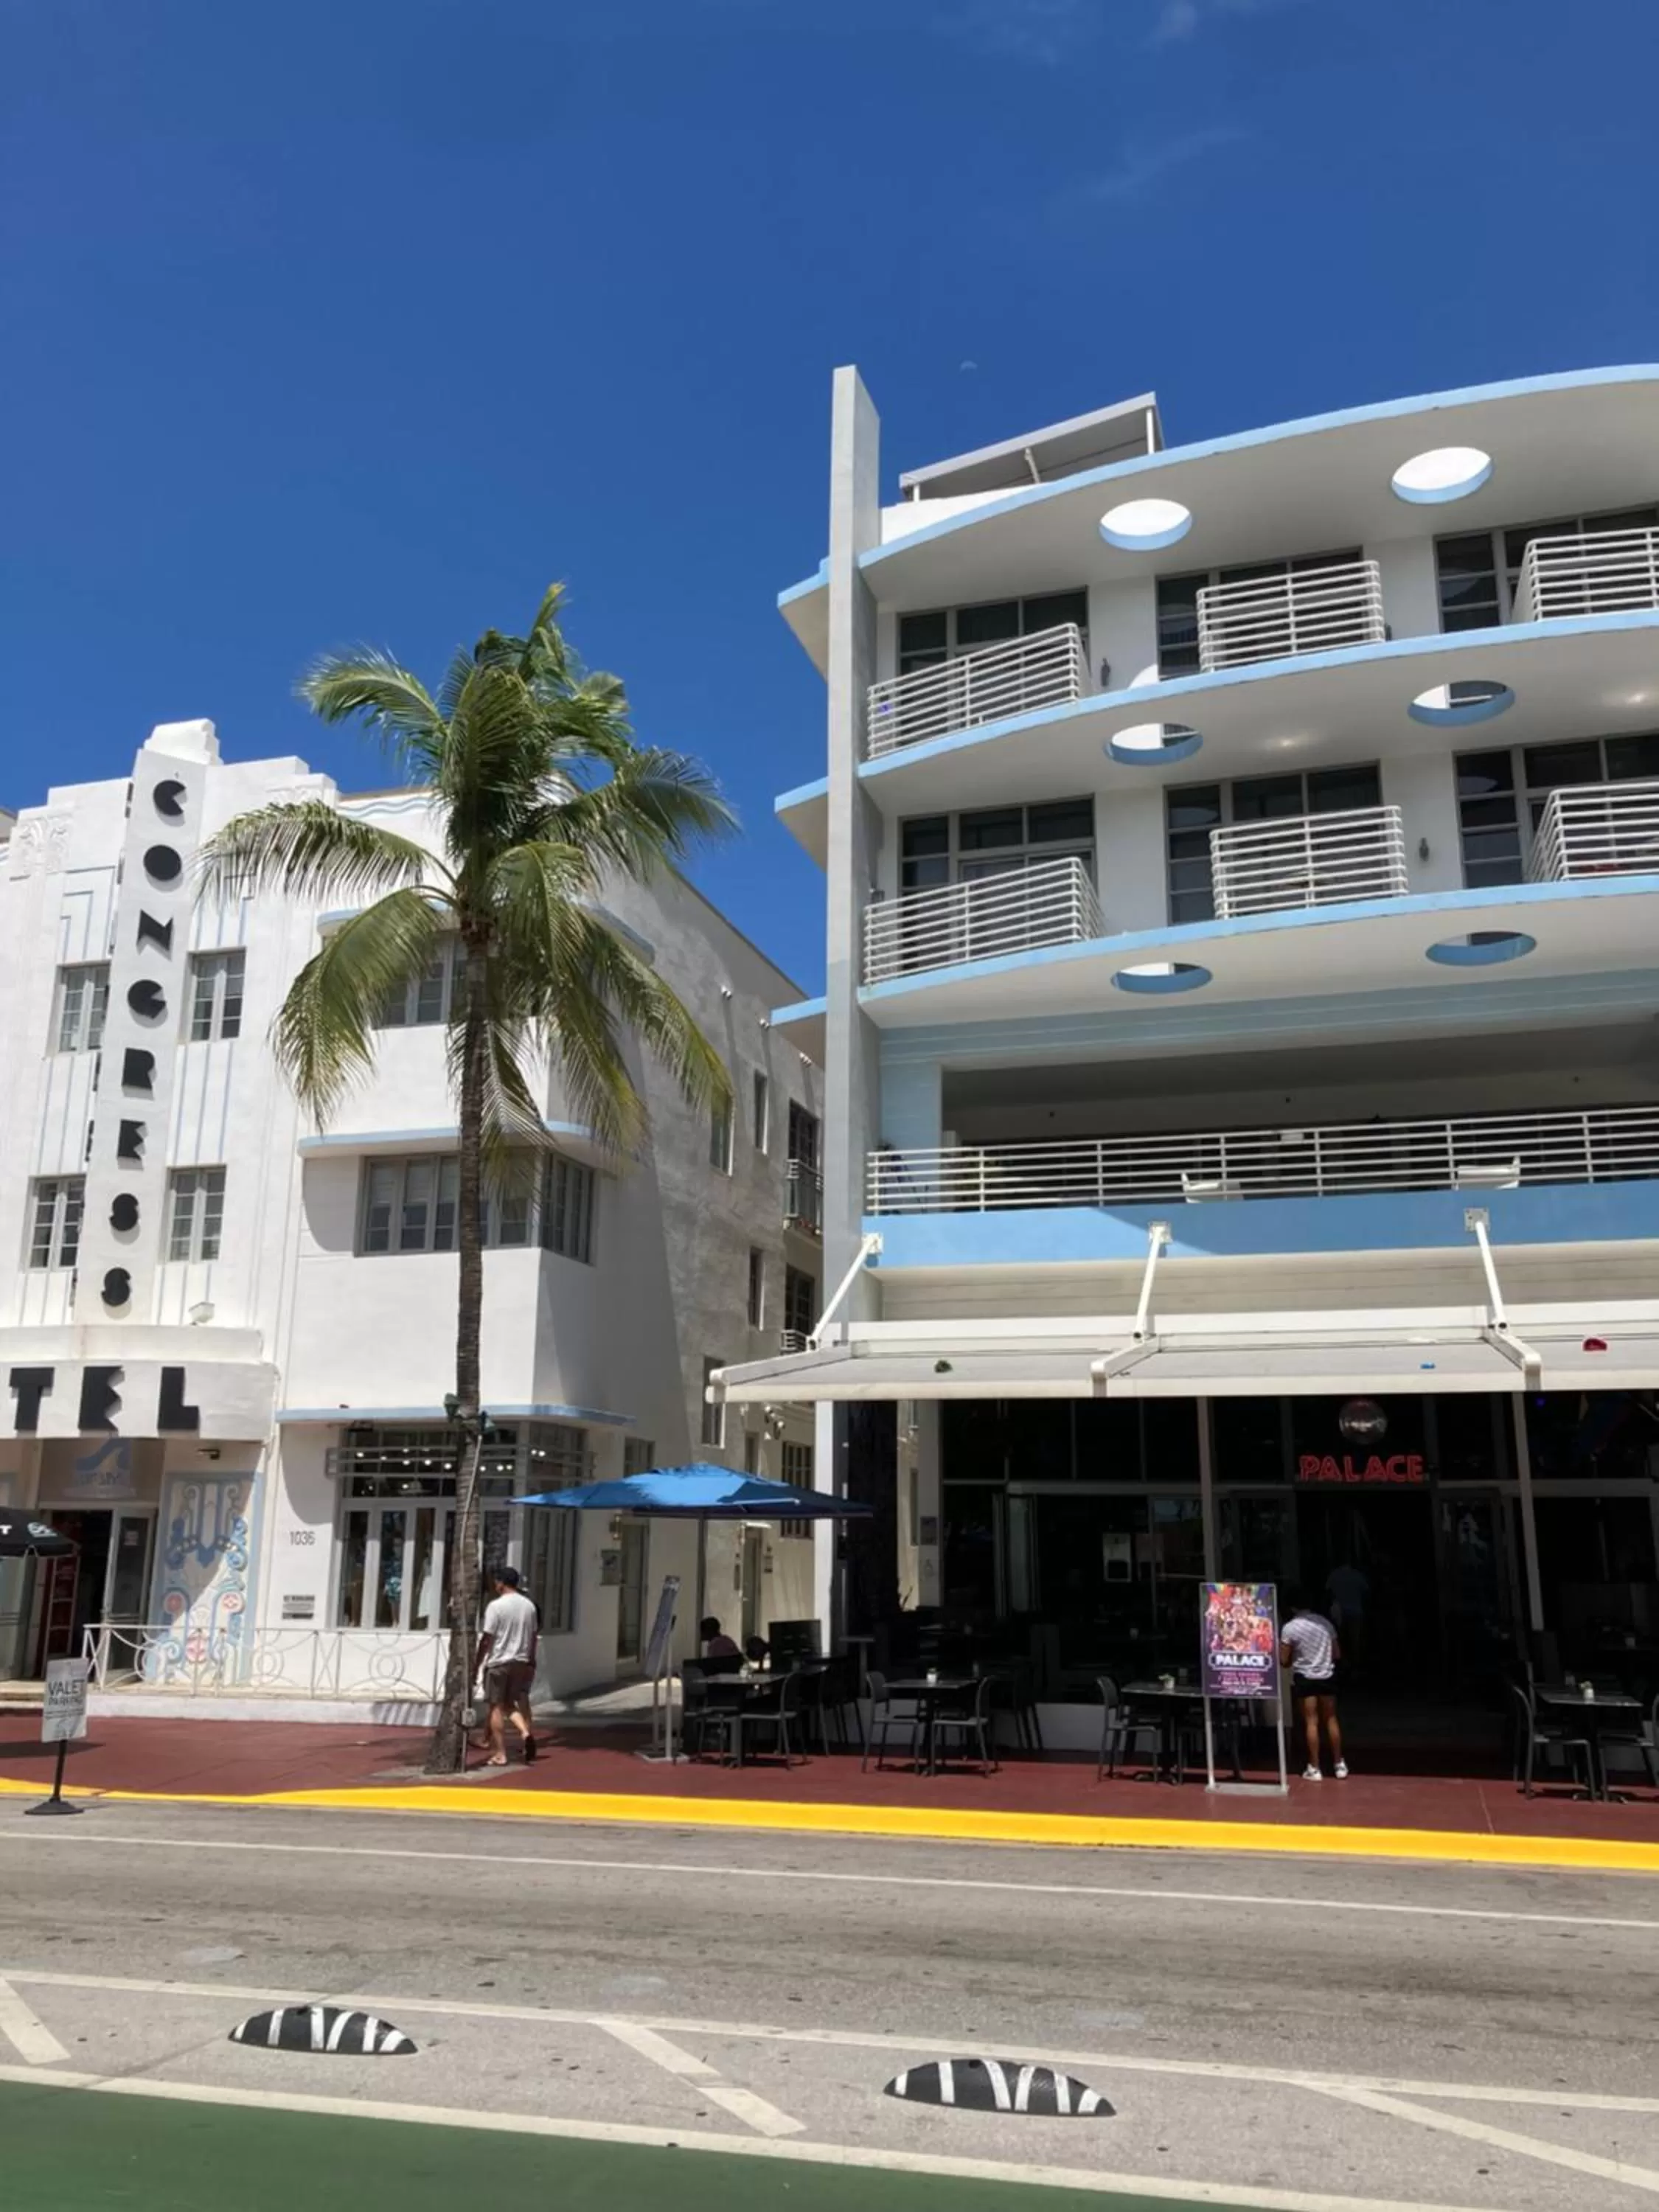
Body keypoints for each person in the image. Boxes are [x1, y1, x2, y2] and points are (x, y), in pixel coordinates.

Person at [475, 1565, 539, 1767]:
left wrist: (478, 1662)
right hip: (521, 1661)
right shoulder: (529, 1606)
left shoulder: (496, 1606)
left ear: (501, 1583)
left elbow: (487, 1638)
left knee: (495, 1706)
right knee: (510, 1704)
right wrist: (530, 1659)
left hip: (499, 1662)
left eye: (496, 1581)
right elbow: (533, 1637)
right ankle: (525, 1731)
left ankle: (500, 1753)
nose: (495, 1584)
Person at [1281, 1591, 1346, 1781]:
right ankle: (1339, 1763)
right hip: (1327, 1675)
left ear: (1292, 1608)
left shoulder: (1290, 1628)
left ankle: (1315, 1766)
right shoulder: (1325, 1624)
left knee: (1311, 1721)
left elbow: (1284, 1660)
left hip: (1305, 1677)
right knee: (1331, 1719)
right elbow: (1337, 1654)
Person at [1325, 1561, 1369, 1666]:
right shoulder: (1357, 1575)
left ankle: (1343, 1662)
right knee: (1355, 1639)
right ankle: (1356, 1663)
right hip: (1356, 1611)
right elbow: (1366, 1591)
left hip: (1339, 1612)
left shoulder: (1334, 1575)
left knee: (1341, 1638)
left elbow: (1327, 1590)